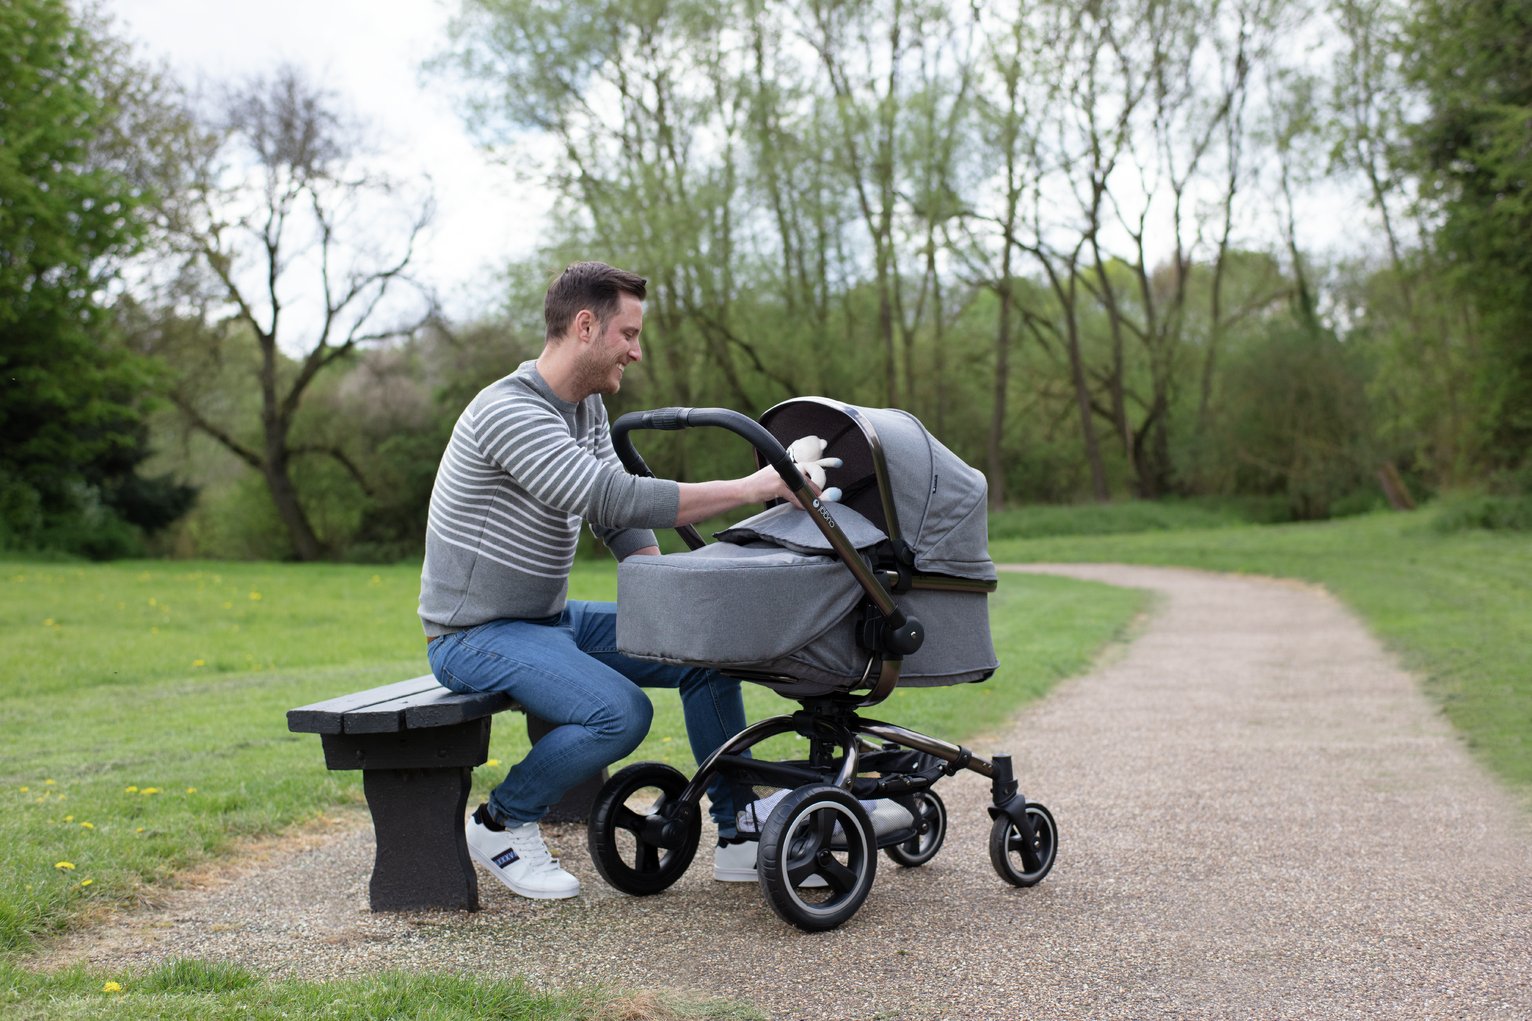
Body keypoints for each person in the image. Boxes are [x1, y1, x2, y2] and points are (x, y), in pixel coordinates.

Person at [418, 261, 800, 900]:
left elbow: (609, 515)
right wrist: (753, 488)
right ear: (585, 325)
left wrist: (660, 599)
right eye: (627, 334)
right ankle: (501, 822)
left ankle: (738, 834)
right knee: (618, 713)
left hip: (547, 622)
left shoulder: (585, 406)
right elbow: (609, 493)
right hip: (472, 636)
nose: (637, 350)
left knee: (704, 648)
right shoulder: (507, 411)